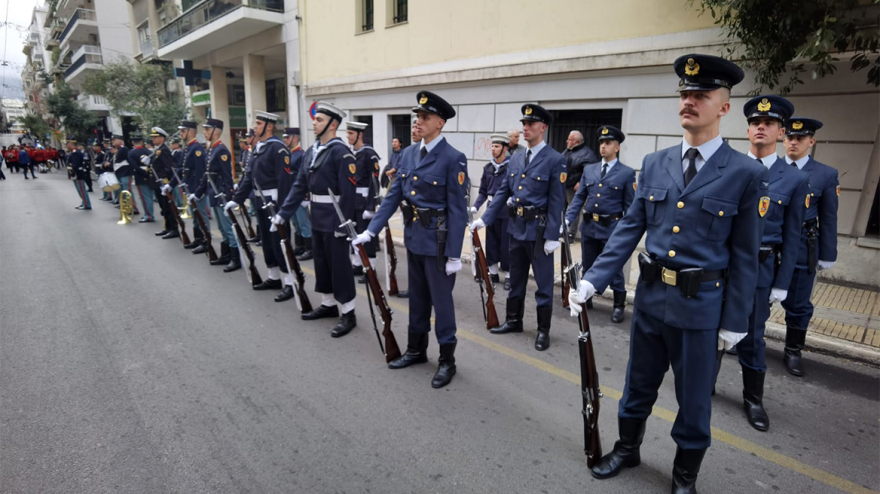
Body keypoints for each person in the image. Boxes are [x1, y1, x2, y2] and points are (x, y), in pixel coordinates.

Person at [569, 54, 767, 493]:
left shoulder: (745, 173)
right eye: (684, 93)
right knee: (636, 385)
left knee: (694, 401)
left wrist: (736, 322)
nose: (689, 101)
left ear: (724, 107)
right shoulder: (656, 163)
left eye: (701, 94)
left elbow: (746, 256)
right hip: (651, 299)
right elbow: (629, 228)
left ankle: (684, 477)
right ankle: (627, 448)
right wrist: (592, 278)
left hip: (701, 309)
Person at [352, 91, 468, 388]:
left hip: (439, 244)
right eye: (418, 116)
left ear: (440, 123)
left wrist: (455, 253)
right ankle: (416, 350)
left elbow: (457, 210)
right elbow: (393, 196)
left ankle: (447, 360)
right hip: (415, 238)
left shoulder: (453, 158)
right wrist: (371, 230)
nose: (419, 121)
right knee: (417, 301)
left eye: (425, 117)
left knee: (441, 304)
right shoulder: (408, 154)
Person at [718, 95, 809, 432]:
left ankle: (753, 399)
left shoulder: (794, 179)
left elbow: (793, 236)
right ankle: (705, 383)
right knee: (711, 326)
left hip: (759, 269)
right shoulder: (728, 167)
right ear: (747, 130)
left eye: (769, 123)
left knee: (753, 336)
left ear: (781, 132)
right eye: (756, 122)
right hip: (720, 263)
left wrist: (782, 283)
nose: (761, 127)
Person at [471, 104, 567, 352]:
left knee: (544, 285)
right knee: (516, 281)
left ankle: (543, 330)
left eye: (531, 124)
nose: (525, 128)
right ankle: (514, 321)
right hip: (516, 229)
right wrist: (486, 218)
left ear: (542, 128)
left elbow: (557, 200)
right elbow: (504, 191)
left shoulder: (555, 160)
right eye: (523, 124)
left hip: (539, 232)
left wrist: (552, 235)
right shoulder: (516, 157)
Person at [271, 102, 359, 335]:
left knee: (340, 266)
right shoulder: (312, 151)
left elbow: (349, 194)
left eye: (319, 119)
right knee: (321, 263)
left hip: (335, 218)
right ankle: (329, 304)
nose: (314, 122)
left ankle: (348, 312)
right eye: (316, 118)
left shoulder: (341, 153)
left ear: (333, 125)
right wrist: (283, 213)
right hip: (317, 217)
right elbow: (299, 185)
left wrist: (344, 225)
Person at [780, 117, 838, 377]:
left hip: (803, 245)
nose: (794, 142)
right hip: (771, 244)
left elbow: (829, 216)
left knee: (799, 302)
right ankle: (746, 339)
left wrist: (828, 254)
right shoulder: (769, 168)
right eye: (790, 137)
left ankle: (793, 349)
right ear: (783, 138)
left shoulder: (825, 174)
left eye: (800, 138)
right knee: (757, 296)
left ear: (811, 142)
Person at [565, 125, 635, 323]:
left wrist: (626, 233)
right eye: (601, 143)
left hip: (612, 228)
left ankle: (619, 305)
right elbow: (579, 198)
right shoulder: (590, 169)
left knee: (614, 268)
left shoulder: (626, 173)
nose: (603, 146)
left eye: (608, 143)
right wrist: (568, 219)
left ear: (617, 147)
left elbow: (630, 207)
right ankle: (587, 299)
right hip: (589, 226)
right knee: (588, 264)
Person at [227, 111, 296, 302]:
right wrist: (238, 199)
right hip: (260, 201)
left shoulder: (278, 149)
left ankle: (291, 282)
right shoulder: (258, 148)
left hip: (274, 203)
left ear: (269, 126)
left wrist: (282, 212)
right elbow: (249, 177)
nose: (255, 127)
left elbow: (284, 182)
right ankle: (274, 277)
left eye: (258, 123)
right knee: (266, 241)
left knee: (280, 242)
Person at [191, 118, 241, 272]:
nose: (204, 132)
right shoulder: (211, 149)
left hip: (221, 194)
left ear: (216, 131)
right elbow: (207, 176)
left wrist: (228, 198)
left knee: (228, 228)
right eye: (205, 129)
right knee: (220, 227)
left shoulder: (221, 150)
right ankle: (225, 256)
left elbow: (227, 176)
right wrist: (198, 193)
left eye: (207, 129)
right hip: (213, 193)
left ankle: (235, 259)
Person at [472, 133, 513, 290]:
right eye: (492, 146)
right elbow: (483, 190)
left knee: (506, 244)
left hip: (507, 210)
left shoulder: (511, 167)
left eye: (496, 146)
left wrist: (512, 200)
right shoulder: (488, 168)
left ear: (505, 148)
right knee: (492, 242)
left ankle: (509, 275)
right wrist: (476, 206)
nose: (493, 149)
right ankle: (493, 272)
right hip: (491, 210)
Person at [346, 121, 381, 282]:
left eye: (351, 134)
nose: (348, 137)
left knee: (367, 237)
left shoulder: (369, 154)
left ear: (359, 135)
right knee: (354, 234)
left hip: (364, 201)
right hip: (353, 201)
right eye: (347, 133)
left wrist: (371, 206)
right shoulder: (351, 153)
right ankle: (357, 264)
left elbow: (374, 182)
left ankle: (370, 269)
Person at [140, 127, 180, 239]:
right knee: (163, 207)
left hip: (163, 182)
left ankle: (174, 228)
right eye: (153, 137)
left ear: (162, 138)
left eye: (156, 137)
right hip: (158, 182)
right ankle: (167, 227)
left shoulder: (164, 150)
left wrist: (164, 180)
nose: (153, 139)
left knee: (168, 207)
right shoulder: (158, 149)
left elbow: (169, 167)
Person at [282, 127, 313, 261]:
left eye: (287, 137)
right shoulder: (289, 154)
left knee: (303, 222)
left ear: (295, 138)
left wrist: (306, 196)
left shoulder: (301, 154)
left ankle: (310, 248)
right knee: (295, 222)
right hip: (291, 194)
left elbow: (306, 176)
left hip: (300, 196)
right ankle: (300, 246)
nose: (285, 140)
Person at [177, 121, 207, 251]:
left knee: (201, 215)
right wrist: (171, 184)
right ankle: (198, 239)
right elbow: (180, 169)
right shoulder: (187, 148)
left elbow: (201, 172)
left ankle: (206, 241)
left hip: (196, 187)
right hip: (189, 186)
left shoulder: (197, 149)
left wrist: (198, 190)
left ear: (191, 132)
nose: (181, 134)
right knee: (195, 215)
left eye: (183, 131)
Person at [562, 130, 598, 237]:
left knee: (574, 208)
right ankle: (561, 230)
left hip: (574, 187)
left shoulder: (587, 154)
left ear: (576, 141)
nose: (567, 141)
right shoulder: (568, 150)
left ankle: (570, 234)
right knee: (561, 209)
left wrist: (581, 183)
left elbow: (590, 171)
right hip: (564, 185)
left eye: (569, 139)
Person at [131, 135, 155, 223]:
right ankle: (150, 214)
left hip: (140, 176)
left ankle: (148, 215)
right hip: (150, 175)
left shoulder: (132, 153)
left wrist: (143, 173)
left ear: (133, 142)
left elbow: (134, 166)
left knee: (144, 197)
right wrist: (147, 173)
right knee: (150, 196)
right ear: (142, 142)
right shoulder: (148, 151)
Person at [66, 137, 91, 210]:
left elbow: (75, 165)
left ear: (71, 144)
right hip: (76, 173)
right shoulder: (74, 152)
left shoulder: (75, 152)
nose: (66, 145)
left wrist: (72, 172)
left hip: (78, 174)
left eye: (67, 144)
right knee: (80, 190)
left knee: (81, 190)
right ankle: (84, 202)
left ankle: (86, 204)